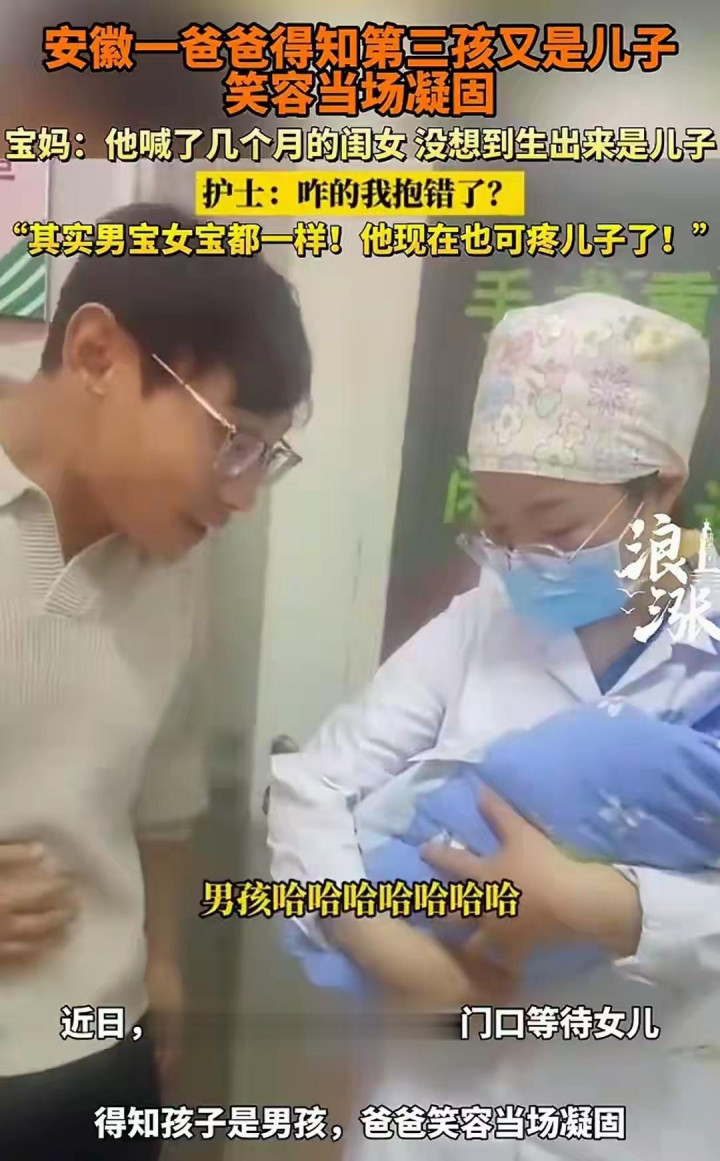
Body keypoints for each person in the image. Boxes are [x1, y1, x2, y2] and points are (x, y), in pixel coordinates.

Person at [268, 292, 720, 1159]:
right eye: (496, 527)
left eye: (555, 527)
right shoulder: (482, 620)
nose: (520, 561)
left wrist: (619, 909)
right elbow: (311, 784)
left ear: (662, 486)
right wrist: (374, 938)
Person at [0, 201, 311, 1158]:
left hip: (102, 1045)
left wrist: (164, 963)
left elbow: (166, 790)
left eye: (267, 457)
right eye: (231, 440)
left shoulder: (172, 555)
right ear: (98, 356)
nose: (242, 495)